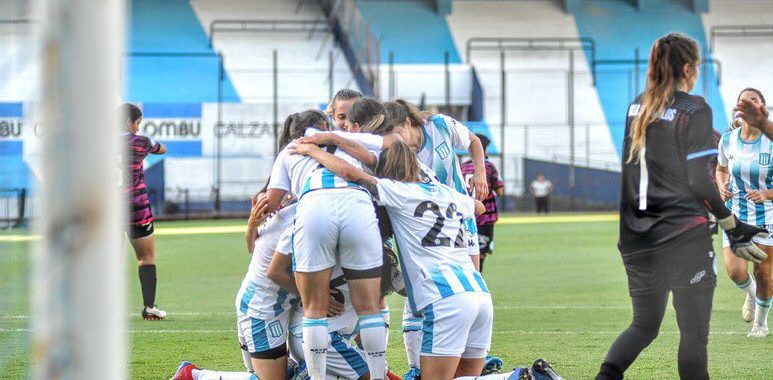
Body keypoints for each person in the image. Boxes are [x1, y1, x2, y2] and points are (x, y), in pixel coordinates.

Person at [596, 33, 768, 380]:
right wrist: (732, 227)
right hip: (681, 238)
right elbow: (697, 180)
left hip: (634, 239)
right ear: (688, 68)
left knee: (643, 325)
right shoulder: (694, 108)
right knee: (693, 335)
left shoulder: (636, 105)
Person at [291, 140, 493, 380]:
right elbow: (479, 207)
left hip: (444, 299)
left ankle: (519, 376)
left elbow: (349, 173)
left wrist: (313, 151)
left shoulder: (399, 193)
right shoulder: (448, 193)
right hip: (479, 293)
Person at [255, 109, 390, 380]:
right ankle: (378, 376)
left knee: (315, 309)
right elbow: (386, 149)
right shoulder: (348, 138)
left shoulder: (290, 150)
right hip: (357, 203)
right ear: (325, 125)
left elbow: (271, 202)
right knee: (370, 308)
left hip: (313, 204)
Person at [383, 100, 491, 380]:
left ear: (409, 122)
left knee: (467, 281)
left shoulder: (440, 125)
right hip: (418, 218)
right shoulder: (400, 156)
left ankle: (462, 350)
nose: (394, 141)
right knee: (421, 286)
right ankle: (417, 366)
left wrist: (479, 171)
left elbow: (474, 141)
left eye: (396, 133)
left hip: (456, 213)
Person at [716, 88, 773, 338]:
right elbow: (721, 168)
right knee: (735, 271)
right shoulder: (728, 140)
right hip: (736, 214)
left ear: (762, 108)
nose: (748, 106)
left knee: (764, 272)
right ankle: (751, 297)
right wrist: (721, 185)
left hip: (767, 216)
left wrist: (767, 194)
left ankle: (760, 324)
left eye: (754, 102)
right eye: (743, 102)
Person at [122, 103, 168, 321]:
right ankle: (149, 308)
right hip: (137, 209)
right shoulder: (141, 142)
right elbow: (162, 148)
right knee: (146, 257)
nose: (138, 128)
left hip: (108, 210)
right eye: (137, 123)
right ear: (127, 122)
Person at [460, 134, 504, 274]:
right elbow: (500, 191)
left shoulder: (461, 167)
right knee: (481, 254)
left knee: (466, 252)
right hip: (484, 217)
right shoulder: (489, 167)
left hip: (464, 215)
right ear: (484, 151)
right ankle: (477, 283)